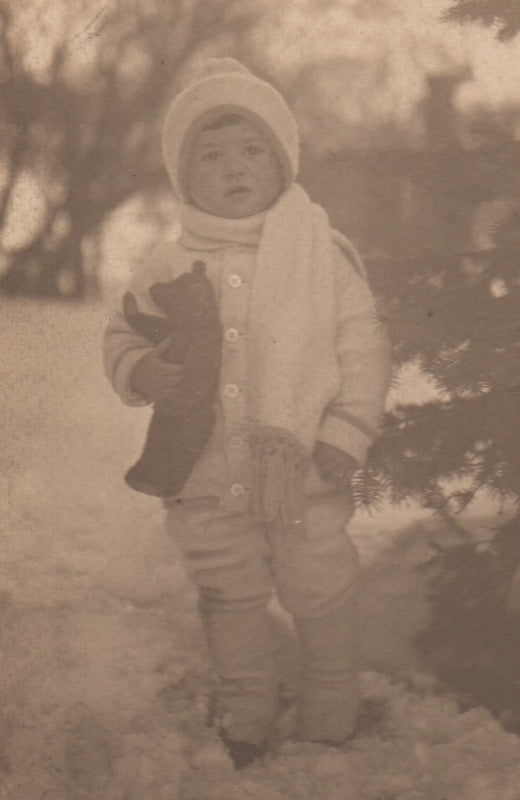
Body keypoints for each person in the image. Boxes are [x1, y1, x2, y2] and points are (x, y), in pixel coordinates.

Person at [103, 58, 392, 768]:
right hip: (203, 472)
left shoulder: (321, 255)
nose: (234, 167)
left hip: (304, 471)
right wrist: (143, 369)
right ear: (183, 175)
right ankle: (246, 707)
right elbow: (123, 333)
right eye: (211, 155)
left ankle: (331, 703)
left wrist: (345, 433)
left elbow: (363, 350)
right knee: (228, 590)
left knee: (319, 584)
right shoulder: (168, 263)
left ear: (282, 159)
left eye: (252, 149)